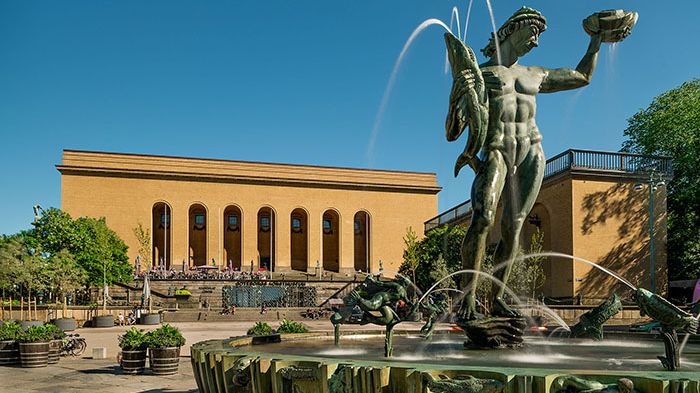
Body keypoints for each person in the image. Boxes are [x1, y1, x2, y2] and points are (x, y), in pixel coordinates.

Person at [447, 7, 603, 320]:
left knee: (514, 226)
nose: (535, 41)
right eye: (532, 32)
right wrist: (459, 96)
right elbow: (452, 132)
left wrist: (595, 41)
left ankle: (499, 298)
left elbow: (581, 77)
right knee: (482, 219)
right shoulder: (480, 74)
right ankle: (469, 296)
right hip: (496, 149)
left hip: (532, 150)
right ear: (509, 30)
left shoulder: (535, 74)